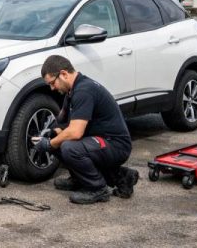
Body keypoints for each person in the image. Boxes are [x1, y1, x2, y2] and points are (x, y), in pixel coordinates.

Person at [35, 55, 139, 204]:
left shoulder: (84, 90)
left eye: (52, 83)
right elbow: (61, 123)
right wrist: (51, 133)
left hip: (116, 144)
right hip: (98, 140)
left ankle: (98, 189)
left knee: (69, 147)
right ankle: (115, 177)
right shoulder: (71, 92)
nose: (52, 88)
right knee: (59, 140)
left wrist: (50, 144)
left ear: (64, 74)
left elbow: (76, 132)